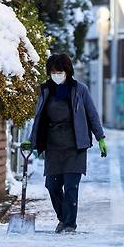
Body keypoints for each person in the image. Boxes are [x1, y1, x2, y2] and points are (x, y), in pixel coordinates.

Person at [29, 53, 107, 233]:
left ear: (67, 71)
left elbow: (92, 114)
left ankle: (70, 224)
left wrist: (100, 137)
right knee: (52, 185)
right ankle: (63, 218)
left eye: (60, 71)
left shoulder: (80, 90)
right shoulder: (46, 90)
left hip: (75, 145)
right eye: (53, 71)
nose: (57, 74)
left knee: (71, 185)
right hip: (53, 145)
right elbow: (39, 117)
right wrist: (32, 141)